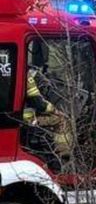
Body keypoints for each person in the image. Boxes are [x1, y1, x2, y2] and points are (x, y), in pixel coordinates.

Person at [23, 40, 71, 170]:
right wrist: (55, 110)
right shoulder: (25, 75)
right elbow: (38, 103)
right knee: (62, 120)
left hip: (15, 116)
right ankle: (63, 159)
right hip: (25, 119)